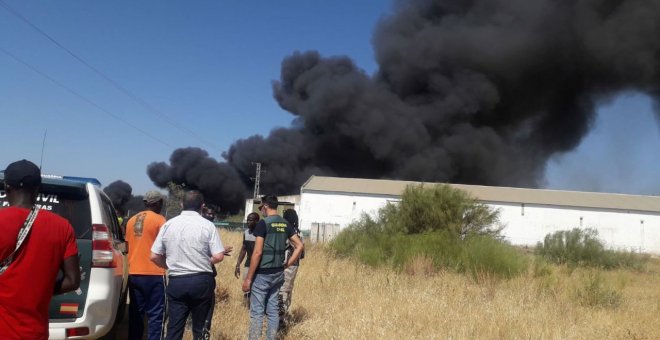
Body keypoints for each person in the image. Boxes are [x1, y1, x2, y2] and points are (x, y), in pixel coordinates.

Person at [0, 159, 80, 339]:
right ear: (38, 188)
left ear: (6, 187)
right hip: (35, 332)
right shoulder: (62, 227)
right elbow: (73, 280)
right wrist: (40, 290)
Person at [150, 190, 232, 340]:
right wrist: (204, 262)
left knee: (174, 328)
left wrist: (170, 265)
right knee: (200, 329)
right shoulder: (207, 226)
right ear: (202, 206)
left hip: (177, 281)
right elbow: (219, 255)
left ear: (182, 204)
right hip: (201, 281)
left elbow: (154, 256)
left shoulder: (168, 225)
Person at [242, 194, 304, 340]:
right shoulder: (285, 224)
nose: (261, 210)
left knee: (257, 312)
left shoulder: (263, 224)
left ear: (265, 206)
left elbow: (257, 252)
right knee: (273, 311)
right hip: (278, 273)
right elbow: (299, 246)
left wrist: (248, 279)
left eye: (261, 207)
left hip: (262, 274)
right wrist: (287, 264)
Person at [125, 190, 167, 340]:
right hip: (154, 273)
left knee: (136, 314)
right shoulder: (160, 220)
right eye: (161, 202)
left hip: (134, 272)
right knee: (156, 315)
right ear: (157, 203)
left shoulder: (131, 220)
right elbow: (166, 246)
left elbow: (128, 246)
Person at [278, 209, 304, 329]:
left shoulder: (287, 232)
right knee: (288, 290)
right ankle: (284, 316)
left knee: (282, 290)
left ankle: (280, 320)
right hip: (295, 265)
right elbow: (302, 254)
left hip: (285, 264)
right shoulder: (299, 233)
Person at [234, 212, 259, 307]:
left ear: (257, 221)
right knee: (246, 287)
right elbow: (244, 248)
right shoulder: (246, 233)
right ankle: (247, 307)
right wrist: (238, 264)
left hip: (259, 265)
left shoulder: (261, 234)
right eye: (247, 220)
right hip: (248, 264)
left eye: (251, 220)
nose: (248, 222)